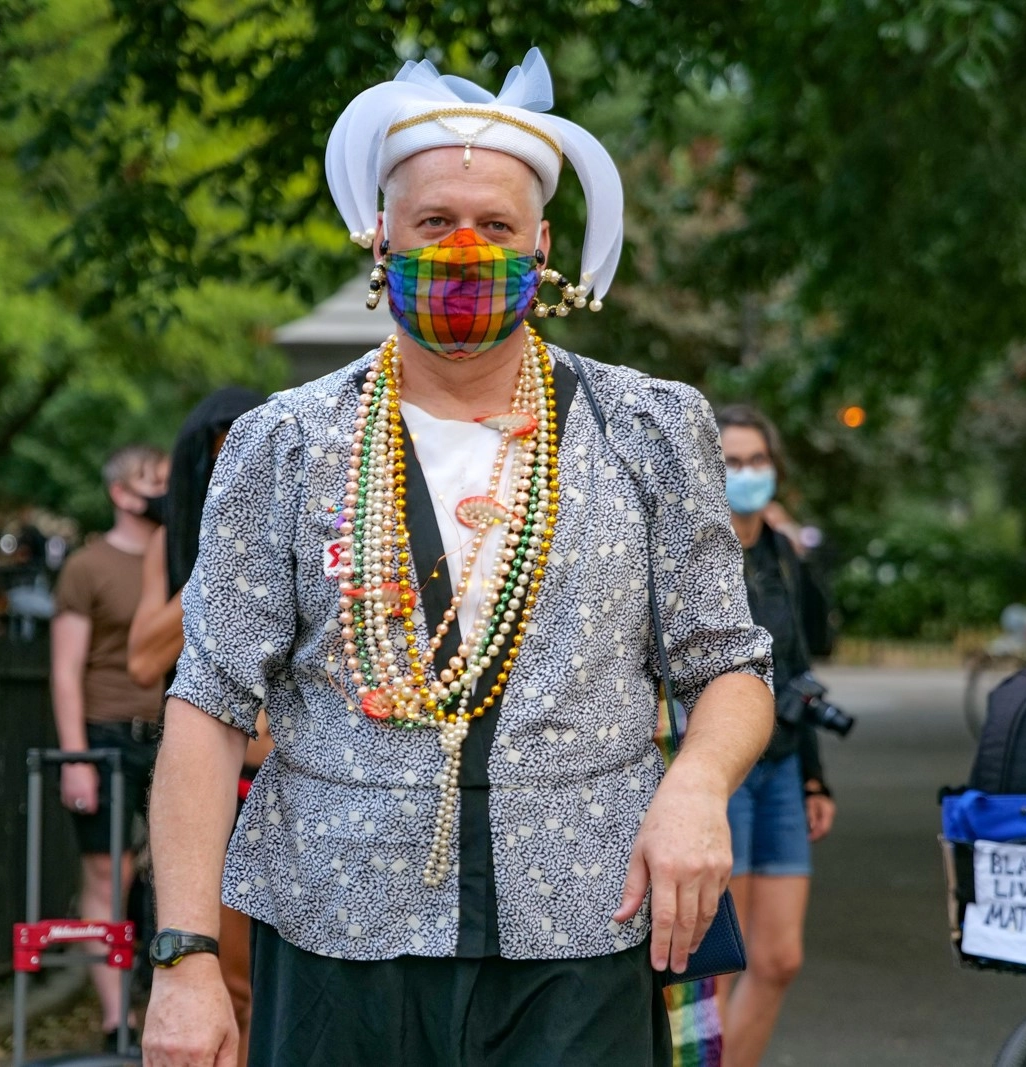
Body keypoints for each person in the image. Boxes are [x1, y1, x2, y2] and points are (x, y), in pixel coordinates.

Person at [142, 48, 774, 1067]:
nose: (467, 248)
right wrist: (184, 958)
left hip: (584, 926)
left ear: (543, 243)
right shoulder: (287, 442)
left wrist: (698, 784)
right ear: (381, 233)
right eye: (435, 221)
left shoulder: (645, 428)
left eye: (497, 225)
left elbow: (727, 665)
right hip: (339, 932)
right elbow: (208, 704)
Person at [126, 387, 270, 1067]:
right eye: (217, 462)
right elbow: (142, 659)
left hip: (305, 786)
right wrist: (222, 561)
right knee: (232, 987)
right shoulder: (177, 541)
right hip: (225, 789)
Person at [713, 405, 834, 1067]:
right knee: (719, 964)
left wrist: (815, 776)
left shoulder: (781, 554)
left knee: (780, 957)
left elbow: (803, 663)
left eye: (757, 460)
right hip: (723, 766)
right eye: (732, 461)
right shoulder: (696, 555)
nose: (748, 472)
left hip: (783, 765)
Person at [49, 443, 168, 1047]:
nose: (165, 492)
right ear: (121, 492)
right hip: (105, 736)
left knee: (173, 871)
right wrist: (77, 758)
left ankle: (166, 1006)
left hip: (169, 734)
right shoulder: (86, 566)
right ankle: (115, 1018)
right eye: (153, 481)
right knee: (107, 873)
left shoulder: (182, 558)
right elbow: (65, 669)